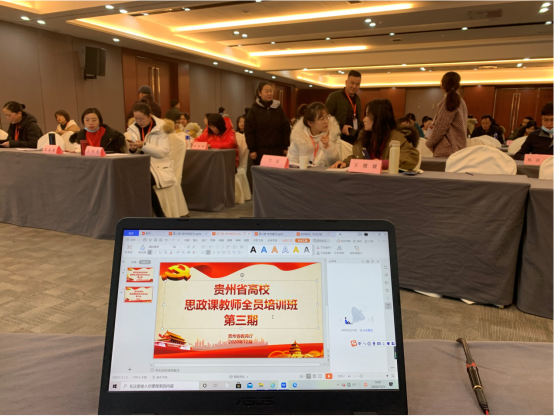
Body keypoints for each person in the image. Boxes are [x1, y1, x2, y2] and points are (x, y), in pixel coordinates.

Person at [330, 99, 419, 170]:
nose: (364, 119)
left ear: (379, 117)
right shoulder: (366, 137)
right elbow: (359, 156)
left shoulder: (398, 138)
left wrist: (382, 163)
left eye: (367, 115)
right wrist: (346, 162)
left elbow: (410, 159)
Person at [127, 102, 177, 217]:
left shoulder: (162, 128)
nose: (139, 121)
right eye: (136, 118)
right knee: (127, 179)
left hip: (160, 166)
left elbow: (162, 152)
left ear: (150, 115)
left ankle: (160, 214)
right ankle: (136, 213)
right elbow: (132, 153)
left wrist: (143, 145)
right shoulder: (133, 128)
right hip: (140, 166)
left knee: (142, 181)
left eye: (141, 118)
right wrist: (132, 149)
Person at [245, 81, 291, 165]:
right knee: (263, 172)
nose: (269, 93)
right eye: (266, 91)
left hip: (278, 150)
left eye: (271, 91)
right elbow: (249, 132)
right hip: (260, 151)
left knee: (277, 172)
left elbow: (285, 128)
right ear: (259, 93)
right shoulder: (254, 110)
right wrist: (252, 149)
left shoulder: (278, 109)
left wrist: (286, 146)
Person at [426, 72, 468, 157]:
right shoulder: (461, 101)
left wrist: (429, 143)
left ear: (443, 85)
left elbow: (440, 128)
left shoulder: (449, 101)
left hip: (447, 149)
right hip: (458, 147)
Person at [288, 102, 341, 167]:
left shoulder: (333, 134)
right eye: (322, 119)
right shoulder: (299, 135)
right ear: (310, 123)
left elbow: (337, 163)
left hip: (324, 173)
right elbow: (291, 161)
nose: (326, 121)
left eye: (327, 117)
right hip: (302, 173)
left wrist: (328, 147)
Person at [325, 70, 362, 144]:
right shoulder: (334, 97)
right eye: (352, 83)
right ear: (346, 82)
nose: (354, 86)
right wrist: (341, 127)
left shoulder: (357, 99)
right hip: (337, 138)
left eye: (357, 84)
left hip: (353, 139)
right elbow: (326, 117)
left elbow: (357, 118)